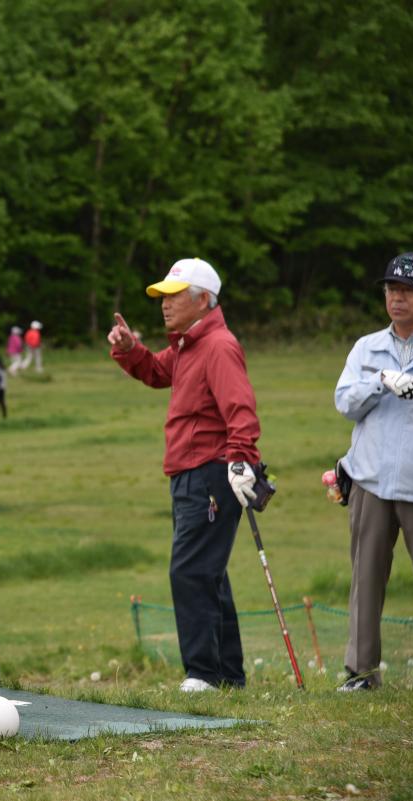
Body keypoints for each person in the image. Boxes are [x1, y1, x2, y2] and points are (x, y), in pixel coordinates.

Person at [107, 257, 260, 693]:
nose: (165, 305)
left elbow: (240, 409)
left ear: (203, 300)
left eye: (174, 296)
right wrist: (129, 348)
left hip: (211, 472)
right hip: (190, 471)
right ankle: (228, 675)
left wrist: (241, 458)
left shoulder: (218, 346)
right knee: (208, 572)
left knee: (190, 571)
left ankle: (204, 674)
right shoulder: (187, 345)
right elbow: (157, 373)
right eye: (163, 297)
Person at [332, 251, 413, 691]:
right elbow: (344, 402)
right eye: (392, 290)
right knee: (366, 578)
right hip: (371, 481)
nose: (398, 298)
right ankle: (361, 672)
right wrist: (379, 380)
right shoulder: (368, 347)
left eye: (407, 291)